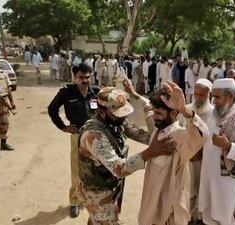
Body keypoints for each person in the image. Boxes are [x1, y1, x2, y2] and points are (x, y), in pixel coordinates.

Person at [78, 86, 177, 225]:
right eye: (119, 113)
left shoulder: (116, 120)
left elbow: (141, 135)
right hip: (97, 192)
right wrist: (151, 152)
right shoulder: (94, 136)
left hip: (110, 186)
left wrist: (165, 134)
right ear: (102, 112)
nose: (124, 116)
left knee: (97, 221)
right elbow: (118, 168)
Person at [123, 80, 209, 225]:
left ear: (174, 113)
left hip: (169, 211)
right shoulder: (156, 129)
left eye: (158, 113)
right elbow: (146, 106)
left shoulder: (180, 137)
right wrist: (133, 93)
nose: (153, 115)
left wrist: (184, 110)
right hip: (150, 204)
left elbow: (203, 134)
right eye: (153, 111)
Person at [199, 78, 235, 225]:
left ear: (230, 97)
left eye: (217, 97)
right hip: (209, 176)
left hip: (227, 183)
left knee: (225, 218)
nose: (213, 100)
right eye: (213, 96)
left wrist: (229, 146)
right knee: (208, 215)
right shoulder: (214, 114)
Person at [47, 63, 99, 217]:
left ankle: (91, 197)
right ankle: (75, 201)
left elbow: (106, 109)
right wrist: (62, 127)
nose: (85, 80)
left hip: (94, 135)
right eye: (81, 77)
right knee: (77, 169)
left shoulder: (95, 92)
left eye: (87, 77)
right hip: (77, 135)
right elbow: (52, 109)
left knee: (95, 166)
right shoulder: (66, 92)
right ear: (74, 77)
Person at [179, 78, 213, 224]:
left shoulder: (213, 113)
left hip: (205, 160)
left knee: (202, 191)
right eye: (196, 94)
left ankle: (198, 218)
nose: (198, 98)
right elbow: (179, 131)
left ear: (209, 96)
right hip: (187, 158)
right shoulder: (185, 110)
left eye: (202, 95)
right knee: (187, 191)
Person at [0, 54, 16, 160]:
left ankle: (3, 143)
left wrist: (12, 102)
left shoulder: (2, 74)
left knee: (5, 122)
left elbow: (8, 89)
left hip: (4, 100)